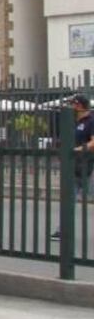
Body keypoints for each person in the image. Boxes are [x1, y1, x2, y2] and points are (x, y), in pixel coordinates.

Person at [51, 94, 94, 240]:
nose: (70, 107)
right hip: (74, 167)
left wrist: (78, 150)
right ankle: (62, 230)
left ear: (79, 105)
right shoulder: (73, 122)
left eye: (72, 104)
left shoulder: (91, 121)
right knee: (68, 199)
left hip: (89, 167)